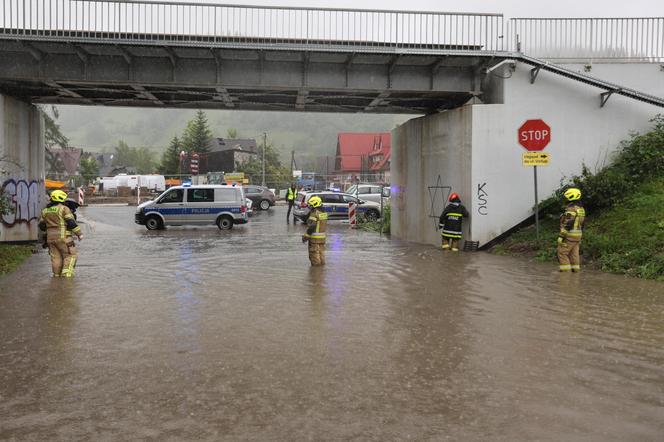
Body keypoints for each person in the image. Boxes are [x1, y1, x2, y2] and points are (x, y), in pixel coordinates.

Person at [38, 190, 82, 277]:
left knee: (56, 258)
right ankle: (66, 278)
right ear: (61, 198)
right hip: (64, 238)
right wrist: (79, 234)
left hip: (50, 239)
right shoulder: (64, 208)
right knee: (70, 255)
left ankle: (56, 276)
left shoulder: (45, 211)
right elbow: (71, 222)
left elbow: (42, 226)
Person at [557, 187, 586, 272]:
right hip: (577, 236)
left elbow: (568, 223)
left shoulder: (571, 209)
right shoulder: (581, 209)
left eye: (566, 197)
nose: (565, 199)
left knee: (562, 253)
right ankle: (576, 274)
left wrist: (561, 236)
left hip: (569, 236)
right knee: (574, 255)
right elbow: (583, 223)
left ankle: (566, 277)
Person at [302, 196, 328, 266]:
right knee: (321, 254)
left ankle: (316, 274)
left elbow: (312, 226)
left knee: (314, 256)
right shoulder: (323, 213)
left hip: (314, 239)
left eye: (310, 205)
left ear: (315, 204)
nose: (309, 207)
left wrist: (306, 236)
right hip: (322, 239)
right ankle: (321, 273)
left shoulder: (314, 214)